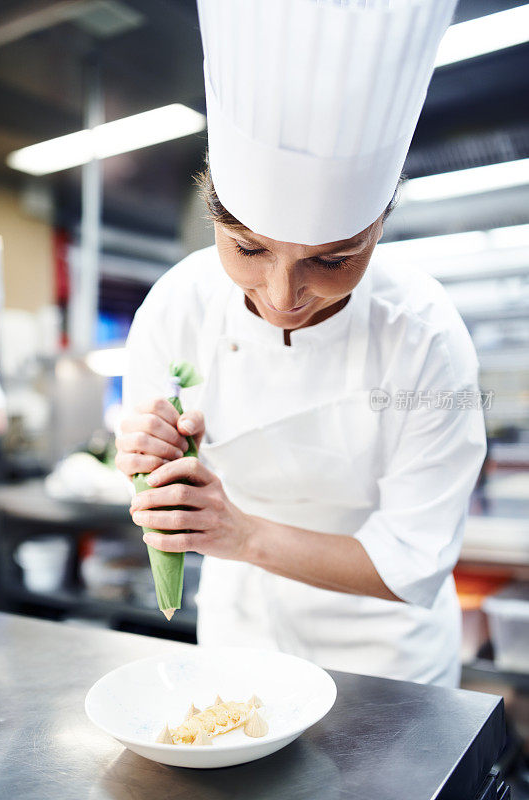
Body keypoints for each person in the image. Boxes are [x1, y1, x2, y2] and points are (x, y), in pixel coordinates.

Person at [117, 0, 486, 686]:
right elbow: (149, 465)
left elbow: (413, 563)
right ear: (211, 210)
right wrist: (144, 463)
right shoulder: (178, 306)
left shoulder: (425, 338)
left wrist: (240, 534)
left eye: (333, 259)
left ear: (378, 229)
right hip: (240, 639)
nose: (283, 297)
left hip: (388, 665)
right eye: (250, 247)